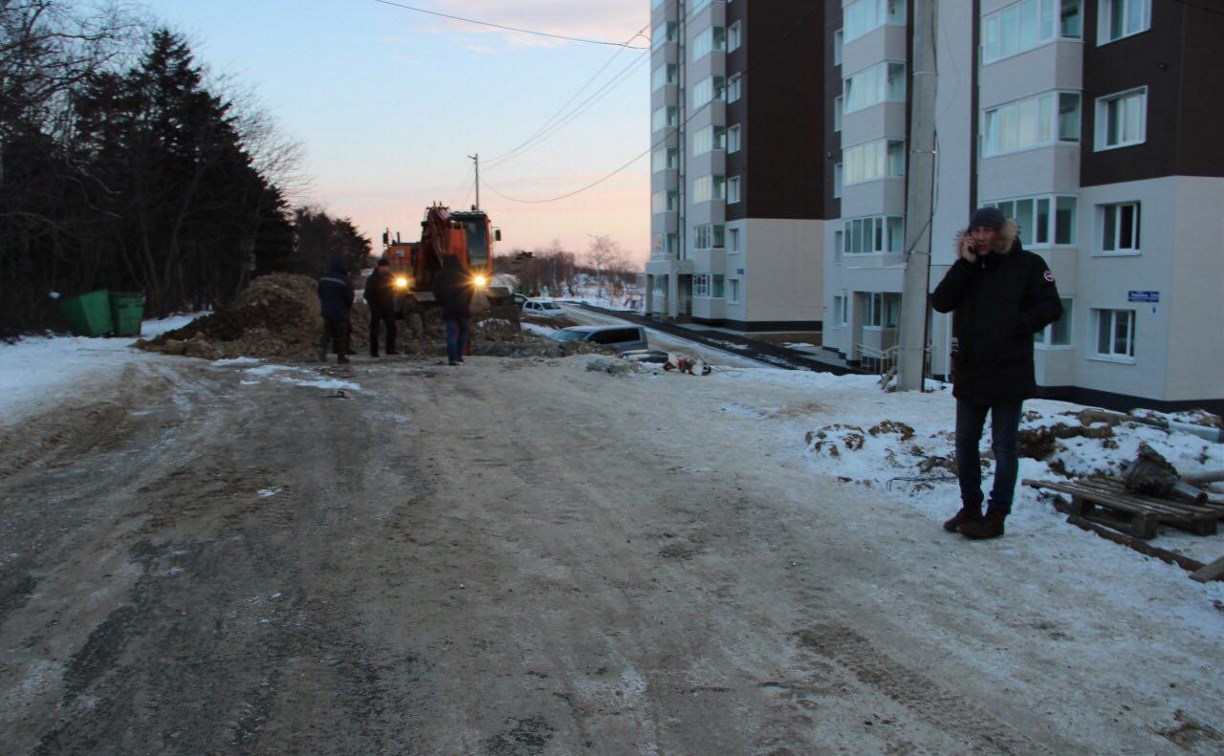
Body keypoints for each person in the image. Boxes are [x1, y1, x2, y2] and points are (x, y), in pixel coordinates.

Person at [930, 207, 1063, 540]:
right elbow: (941, 302)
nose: (982, 236)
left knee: (1004, 446)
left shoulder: (1029, 265)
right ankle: (970, 507)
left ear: (1002, 233)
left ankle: (997, 515)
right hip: (972, 372)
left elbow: (1052, 306)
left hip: (1009, 371)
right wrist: (964, 265)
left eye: (989, 230)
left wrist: (1016, 326)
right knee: (965, 444)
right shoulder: (968, 268)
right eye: (977, 231)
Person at [432, 253, 473, 366]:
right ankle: (459, 356)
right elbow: (471, 289)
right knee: (464, 331)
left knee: (451, 333)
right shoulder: (465, 273)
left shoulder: (440, 275)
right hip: (463, 308)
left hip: (449, 309)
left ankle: (452, 359)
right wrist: (467, 301)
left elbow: (436, 292)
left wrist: (442, 303)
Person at [316, 254, 356, 364]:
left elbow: (320, 292)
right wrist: (347, 308)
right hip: (340, 311)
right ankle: (341, 357)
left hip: (327, 310)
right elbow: (349, 297)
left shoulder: (324, 277)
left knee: (327, 332)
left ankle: (322, 350)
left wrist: (326, 304)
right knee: (341, 334)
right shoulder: (344, 280)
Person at [363, 258, 398, 357]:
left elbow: (393, 290)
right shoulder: (372, 279)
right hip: (376, 308)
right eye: (384, 267)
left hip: (388, 308)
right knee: (375, 330)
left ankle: (390, 349)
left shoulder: (391, 277)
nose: (386, 269)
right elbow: (367, 294)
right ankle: (374, 351)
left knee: (392, 328)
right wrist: (373, 306)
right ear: (379, 267)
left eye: (387, 267)